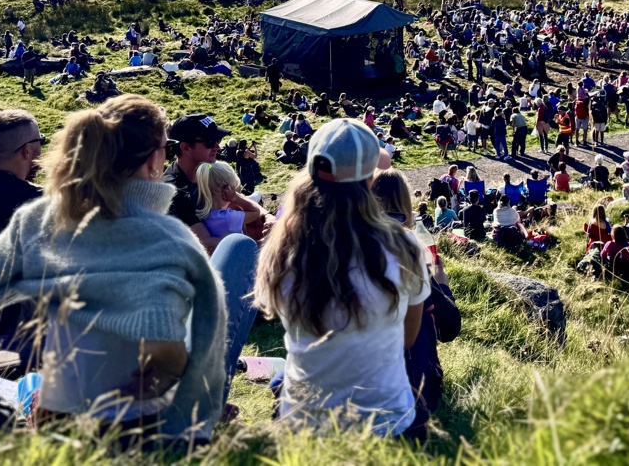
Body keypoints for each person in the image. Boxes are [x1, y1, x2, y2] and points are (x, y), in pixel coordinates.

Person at [0, 96, 230, 439]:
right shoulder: (176, 242)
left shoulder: (36, 219)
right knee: (233, 255)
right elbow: (208, 348)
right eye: (167, 148)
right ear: (153, 161)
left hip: (59, 416)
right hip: (149, 428)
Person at [253, 119, 431, 438]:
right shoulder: (404, 246)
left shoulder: (282, 247)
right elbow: (408, 338)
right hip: (385, 423)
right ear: (368, 180)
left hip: (302, 421)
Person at [368, 169, 461, 419]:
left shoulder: (352, 245)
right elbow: (449, 328)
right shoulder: (408, 251)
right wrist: (442, 284)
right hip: (415, 396)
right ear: (406, 206)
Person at [163, 113, 232, 227]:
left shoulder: (210, 170)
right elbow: (204, 238)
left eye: (218, 140)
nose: (217, 147)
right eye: (210, 142)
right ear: (186, 147)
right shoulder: (174, 192)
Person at [192, 161, 271, 254]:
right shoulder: (227, 218)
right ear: (226, 191)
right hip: (240, 256)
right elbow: (255, 212)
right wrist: (236, 198)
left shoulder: (204, 215)